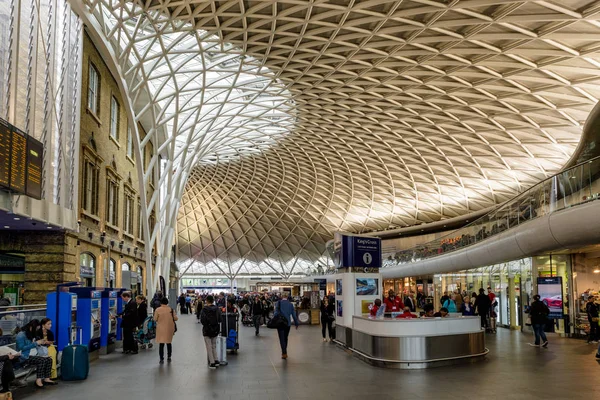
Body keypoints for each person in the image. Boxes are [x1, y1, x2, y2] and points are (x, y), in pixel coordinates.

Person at [15, 320, 55, 388]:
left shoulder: (32, 334)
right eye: (36, 329)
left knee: (49, 359)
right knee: (42, 360)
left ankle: (46, 378)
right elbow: (21, 348)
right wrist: (36, 343)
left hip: (34, 354)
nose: (37, 330)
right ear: (31, 327)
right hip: (24, 356)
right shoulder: (21, 335)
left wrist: (41, 342)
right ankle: (38, 381)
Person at [273, 292, 299, 359]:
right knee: (285, 337)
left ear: (281, 296)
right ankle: (285, 351)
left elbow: (275, 314)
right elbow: (294, 315)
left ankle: (284, 353)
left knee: (281, 339)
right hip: (288, 324)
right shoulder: (290, 305)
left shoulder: (278, 303)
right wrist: (296, 323)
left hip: (280, 323)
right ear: (287, 297)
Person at [154, 297, 178, 364]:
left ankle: (161, 358)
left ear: (161, 303)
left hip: (160, 328)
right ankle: (169, 356)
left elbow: (155, 319)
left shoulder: (158, 310)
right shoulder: (171, 309)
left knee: (161, 344)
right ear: (167, 302)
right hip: (169, 328)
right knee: (168, 342)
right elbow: (176, 318)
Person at [200, 295, 221, 369]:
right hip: (215, 329)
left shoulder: (204, 309)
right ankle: (216, 360)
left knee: (208, 346)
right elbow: (220, 319)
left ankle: (212, 363)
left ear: (207, 301)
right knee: (214, 345)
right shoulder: (217, 309)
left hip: (207, 330)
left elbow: (202, 320)